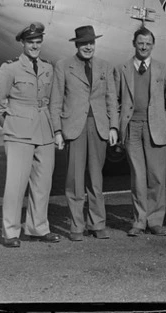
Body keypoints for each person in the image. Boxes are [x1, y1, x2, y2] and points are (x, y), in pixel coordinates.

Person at [0, 22, 61, 248]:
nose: (35, 46)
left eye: (38, 42)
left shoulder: (48, 68)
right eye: (31, 42)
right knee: (16, 184)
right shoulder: (10, 68)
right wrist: (10, 125)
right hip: (19, 132)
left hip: (44, 130)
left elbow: (50, 101)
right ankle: (10, 232)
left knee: (43, 184)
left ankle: (38, 228)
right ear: (23, 43)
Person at [50, 25, 119, 241]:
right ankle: (76, 226)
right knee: (75, 180)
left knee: (96, 179)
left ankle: (97, 223)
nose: (88, 47)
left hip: (99, 127)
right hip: (74, 128)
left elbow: (111, 98)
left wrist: (113, 127)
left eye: (91, 43)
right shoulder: (63, 66)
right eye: (84, 43)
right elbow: (56, 101)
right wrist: (58, 130)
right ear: (77, 45)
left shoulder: (105, 67)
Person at [117, 27, 166, 236]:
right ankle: (139, 221)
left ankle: (155, 220)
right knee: (138, 177)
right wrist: (119, 124)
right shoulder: (123, 69)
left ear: (153, 45)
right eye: (140, 42)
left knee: (156, 176)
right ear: (134, 43)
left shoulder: (162, 69)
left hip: (155, 128)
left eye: (148, 43)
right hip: (132, 127)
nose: (144, 47)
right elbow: (116, 100)